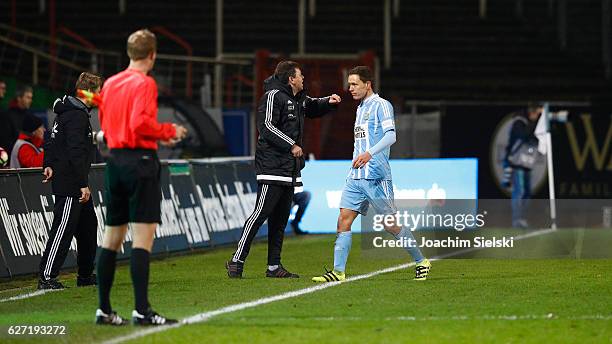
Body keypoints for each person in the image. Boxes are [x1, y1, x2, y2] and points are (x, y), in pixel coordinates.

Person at [95, 29, 187, 326]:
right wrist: (169, 132)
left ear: (129, 52)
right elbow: (140, 124)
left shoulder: (110, 83)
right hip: (140, 162)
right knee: (142, 240)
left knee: (111, 238)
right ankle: (142, 310)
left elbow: (109, 129)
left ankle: (105, 310)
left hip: (114, 162)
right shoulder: (144, 83)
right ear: (152, 55)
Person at [312, 66, 431, 283]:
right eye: (349, 85)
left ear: (368, 84)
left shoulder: (382, 105)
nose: (351, 89)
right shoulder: (360, 108)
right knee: (343, 220)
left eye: (355, 84)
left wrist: (369, 153)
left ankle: (421, 261)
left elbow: (391, 136)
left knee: (390, 224)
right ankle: (338, 272)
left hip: (376, 175)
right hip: (356, 176)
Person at [226, 60, 341, 279]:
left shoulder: (298, 100)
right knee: (260, 214)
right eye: (300, 76)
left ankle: (273, 267)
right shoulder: (272, 97)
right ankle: (236, 260)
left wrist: (329, 102)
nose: (303, 79)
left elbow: (313, 106)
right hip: (271, 166)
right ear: (291, 79)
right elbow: (266, 127)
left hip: (288, 169)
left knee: (280, 219)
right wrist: (291, 144)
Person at [37, 72, 103, 290]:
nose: (99, 96)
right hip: (71, 183)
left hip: (71, 179)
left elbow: (52, 140)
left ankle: (85, 275)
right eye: (98, 91)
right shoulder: (76, 116)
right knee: (62, 229)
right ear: (89, 92)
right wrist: (82, 184)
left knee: (88, 227)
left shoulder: (67, 113)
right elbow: (75, 151)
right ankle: (47, 276)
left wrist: (48, 163)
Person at [502, 104, 542, 228]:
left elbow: (535, 139)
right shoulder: (519, 121)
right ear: (532, 112)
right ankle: (517, 219)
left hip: (526, 162)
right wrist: (534, 123)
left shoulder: (530, 123)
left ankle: (523, 218)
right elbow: (523, 135)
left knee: (527, 192)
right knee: (519, 191)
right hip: (516, 162)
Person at [1, 85, 33, 154]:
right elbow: (8, 139)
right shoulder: (7, 115)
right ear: (19, 98)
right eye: (28, 97)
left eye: (31, 98)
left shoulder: (28, 115)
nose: (30, 100)